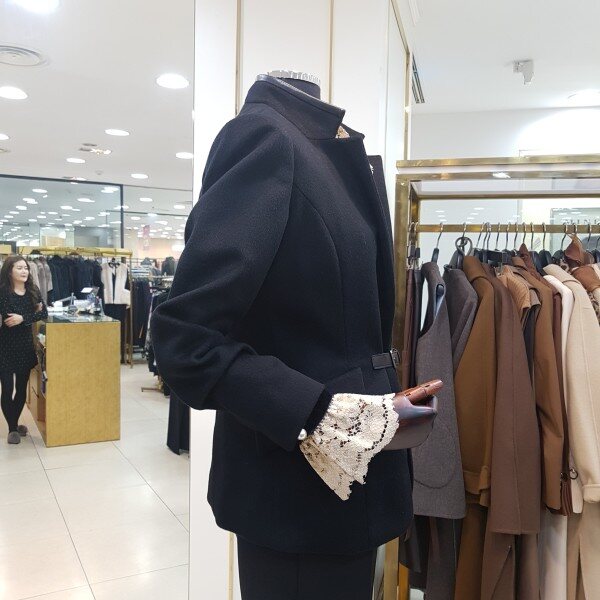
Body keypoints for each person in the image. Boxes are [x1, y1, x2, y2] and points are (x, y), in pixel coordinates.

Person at [0, 255, 48, 444]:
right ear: (9, 271)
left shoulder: (33, 290)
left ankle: (13, 424)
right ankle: (13, 428)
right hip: (4, 345)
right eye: (19, 268)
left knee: (21, 388)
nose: (24, 271)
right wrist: (29, 314)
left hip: (24, 345)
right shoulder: (3, 291)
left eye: (26, 268)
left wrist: (23, 318)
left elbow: (44, 313)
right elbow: (6, 316)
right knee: (7, 388)